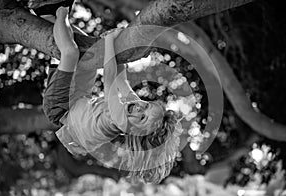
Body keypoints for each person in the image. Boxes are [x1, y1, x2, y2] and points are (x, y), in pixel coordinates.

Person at [43, 6, 182, 183]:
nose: (139, 109)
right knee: (89, 50)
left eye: (142, 118)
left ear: (135, 131)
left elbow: (109, 78)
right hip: (79, 99)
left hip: (60, 107)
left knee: (70, 53)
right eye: (146, 106)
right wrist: (119, 54)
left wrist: (110, 41)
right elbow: (121, 81)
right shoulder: (134, 107)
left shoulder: (120, 120)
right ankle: (47, 17)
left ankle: (60, 11)